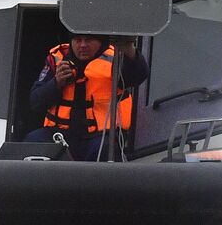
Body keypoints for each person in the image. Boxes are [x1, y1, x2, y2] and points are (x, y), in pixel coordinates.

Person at [25, 33, 148, 161]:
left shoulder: (115, 58)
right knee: (33, 141)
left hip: (100, 135)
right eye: (77, 40)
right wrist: (56, 83)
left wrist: (128, 49)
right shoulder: (57, 59)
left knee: (105, 150)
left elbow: (137, 75)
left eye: (89, 40)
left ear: (101, 42)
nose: (83, 45)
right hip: (61, 134)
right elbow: (35, 101)